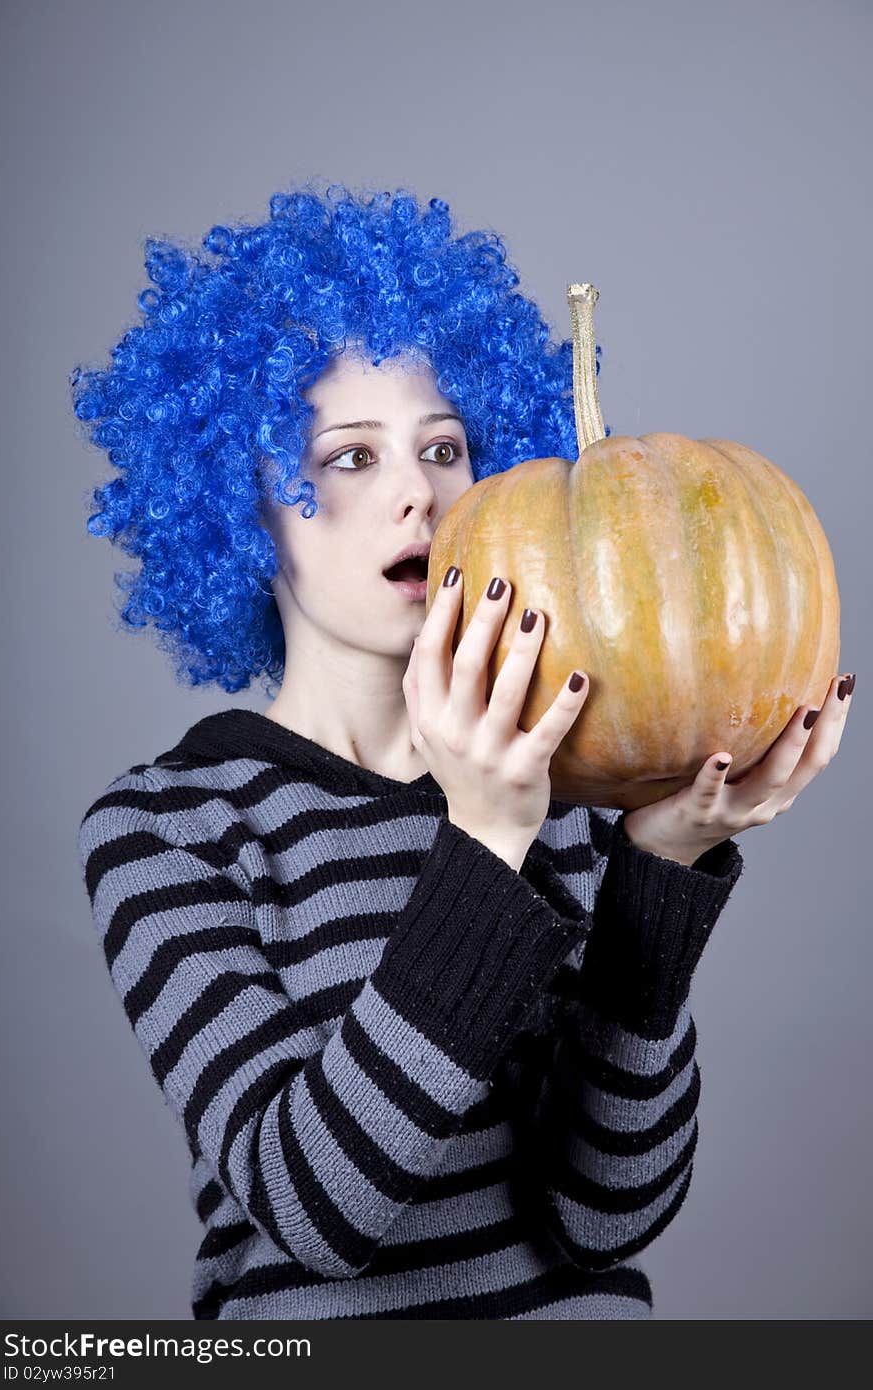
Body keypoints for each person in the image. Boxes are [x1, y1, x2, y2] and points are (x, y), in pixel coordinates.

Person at [74, 182, 854, 1320]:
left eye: (445, 446)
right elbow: (318, 1207)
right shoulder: (169, 828)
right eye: (348, 458)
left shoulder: (576, 790)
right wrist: (484, 837)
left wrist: (662, 872)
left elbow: (607, 1217)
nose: (418, 493)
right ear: (246, 507)